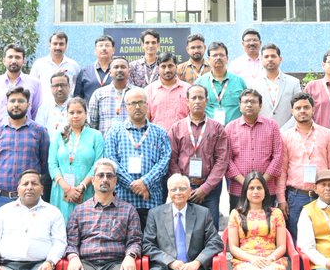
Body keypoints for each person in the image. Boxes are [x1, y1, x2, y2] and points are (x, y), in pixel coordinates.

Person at [278, 92, 330, 238]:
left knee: (326, 236)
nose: (302, 111)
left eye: (306, 107)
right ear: (292, 111)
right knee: (298, 238)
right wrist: (281, 199)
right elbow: (282, 170)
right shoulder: (286, 136)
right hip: (296, 196)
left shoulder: (326, 134)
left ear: (313, 109)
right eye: (298, 108)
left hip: (323, 194)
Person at [104, 87, 171, 227]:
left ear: (147, 105)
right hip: (123, 199)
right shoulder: (115, 131)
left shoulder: (160, 132)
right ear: (126, 107)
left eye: (141, 102)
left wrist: (145, 182)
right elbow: (111, 162)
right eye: (132, 103)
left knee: (150, 243)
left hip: (151, 199)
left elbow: (164, 161)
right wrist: (134, 185)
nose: (137, 106)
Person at [167, 84, 229, 229]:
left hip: (210, 189)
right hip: (183, 189)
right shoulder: (176, 128)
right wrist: (182, 186)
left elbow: (222, 161)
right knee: (183, 228)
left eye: (201, 97)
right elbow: (172, 159)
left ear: (206, 101)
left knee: (210, 229)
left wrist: (205, 188)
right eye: (193, 98)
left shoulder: (217, 128)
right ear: (187, 102)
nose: (197, 101)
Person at [0, 86, 51, 220]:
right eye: (12, 101)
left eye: (21, 101)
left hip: (30, 198)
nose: (16, 104)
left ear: (28, 104)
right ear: (6, 104)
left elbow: (44, 165)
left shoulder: (39, 131)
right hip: (0, 198)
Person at [49, 97, 106, 222]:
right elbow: (52, 164)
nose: (75, 116)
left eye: (79, 112)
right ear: (67, 114)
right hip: (61, 191)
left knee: (85, 229)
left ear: (86, 114)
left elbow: (98, 164)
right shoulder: (58, 135)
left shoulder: (96, 135)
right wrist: (67, 188)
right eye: (72, 112)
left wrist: (82, 186)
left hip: (86, 191)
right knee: (61, 228)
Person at [226, 89, 285, 200]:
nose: (249, 105)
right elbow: (227, 160)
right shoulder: (230, 127)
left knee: (266, 217)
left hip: (266, 188)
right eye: (245, 102)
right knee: (238, 218)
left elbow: (278, 156)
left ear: (260, 105)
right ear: (240, 105)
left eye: (253, 102)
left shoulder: (272, 126)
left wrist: (260, 182)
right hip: (239, 189)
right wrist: (245, 183)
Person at [0, 43, 43, 129]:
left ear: (24, 61)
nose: (13, 61)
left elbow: (36, 112)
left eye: (17, 57)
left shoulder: (35, 84)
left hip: (25, 135)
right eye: (10, 57)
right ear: (4, 60)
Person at [248, 43, 301, 127]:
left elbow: (299, 108)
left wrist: (286, 130)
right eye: (266, 56)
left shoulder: (293, 83)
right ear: (261, 59)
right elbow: (251, 111)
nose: (270, 59)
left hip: (287, 133)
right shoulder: (253, 84)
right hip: (261, 132)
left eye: (273, 56)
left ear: (280, 59)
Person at [194, 42, 247, 125]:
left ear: (227, 58)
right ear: (208, 59)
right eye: (214, 55)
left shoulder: (239, 81)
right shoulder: (200, 83)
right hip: (209, 132)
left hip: (235, 132)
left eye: (221, 55)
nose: (218, 58)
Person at [87, 56, 132, 134]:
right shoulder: (99, 94)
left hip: (130, 143)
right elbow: (93, 124)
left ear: (129, 71)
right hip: (106, 143)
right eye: (116, 67)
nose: (119, 70)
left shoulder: (137, 93)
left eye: (123, 67)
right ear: (110, 72)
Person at [29, 30, 81, 96]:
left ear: (66, 46)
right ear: (49, 45)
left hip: (67, 105)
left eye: (61, 44)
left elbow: (79, 88)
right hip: (44, 105)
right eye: (55, 44)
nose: (58, 47)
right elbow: (31, 86)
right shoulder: (39, 64)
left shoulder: (73, 65)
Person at [145, 52, 189, 128]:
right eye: (163, 66)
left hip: (183, 137)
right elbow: (145, 120)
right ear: (158, 68)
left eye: (170, 66)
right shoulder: (149, 90)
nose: (167, 70)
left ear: (176, 66)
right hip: (157, 138)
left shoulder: (188, 89)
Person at [74, 34, 116, 102]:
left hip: (112, 111)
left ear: (113, 50)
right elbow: (77, 97)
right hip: (90, 111)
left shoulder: (119, 70)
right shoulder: (85, 71)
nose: (104, 48)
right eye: (101, 45)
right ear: (95, 50)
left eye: (107, 45)